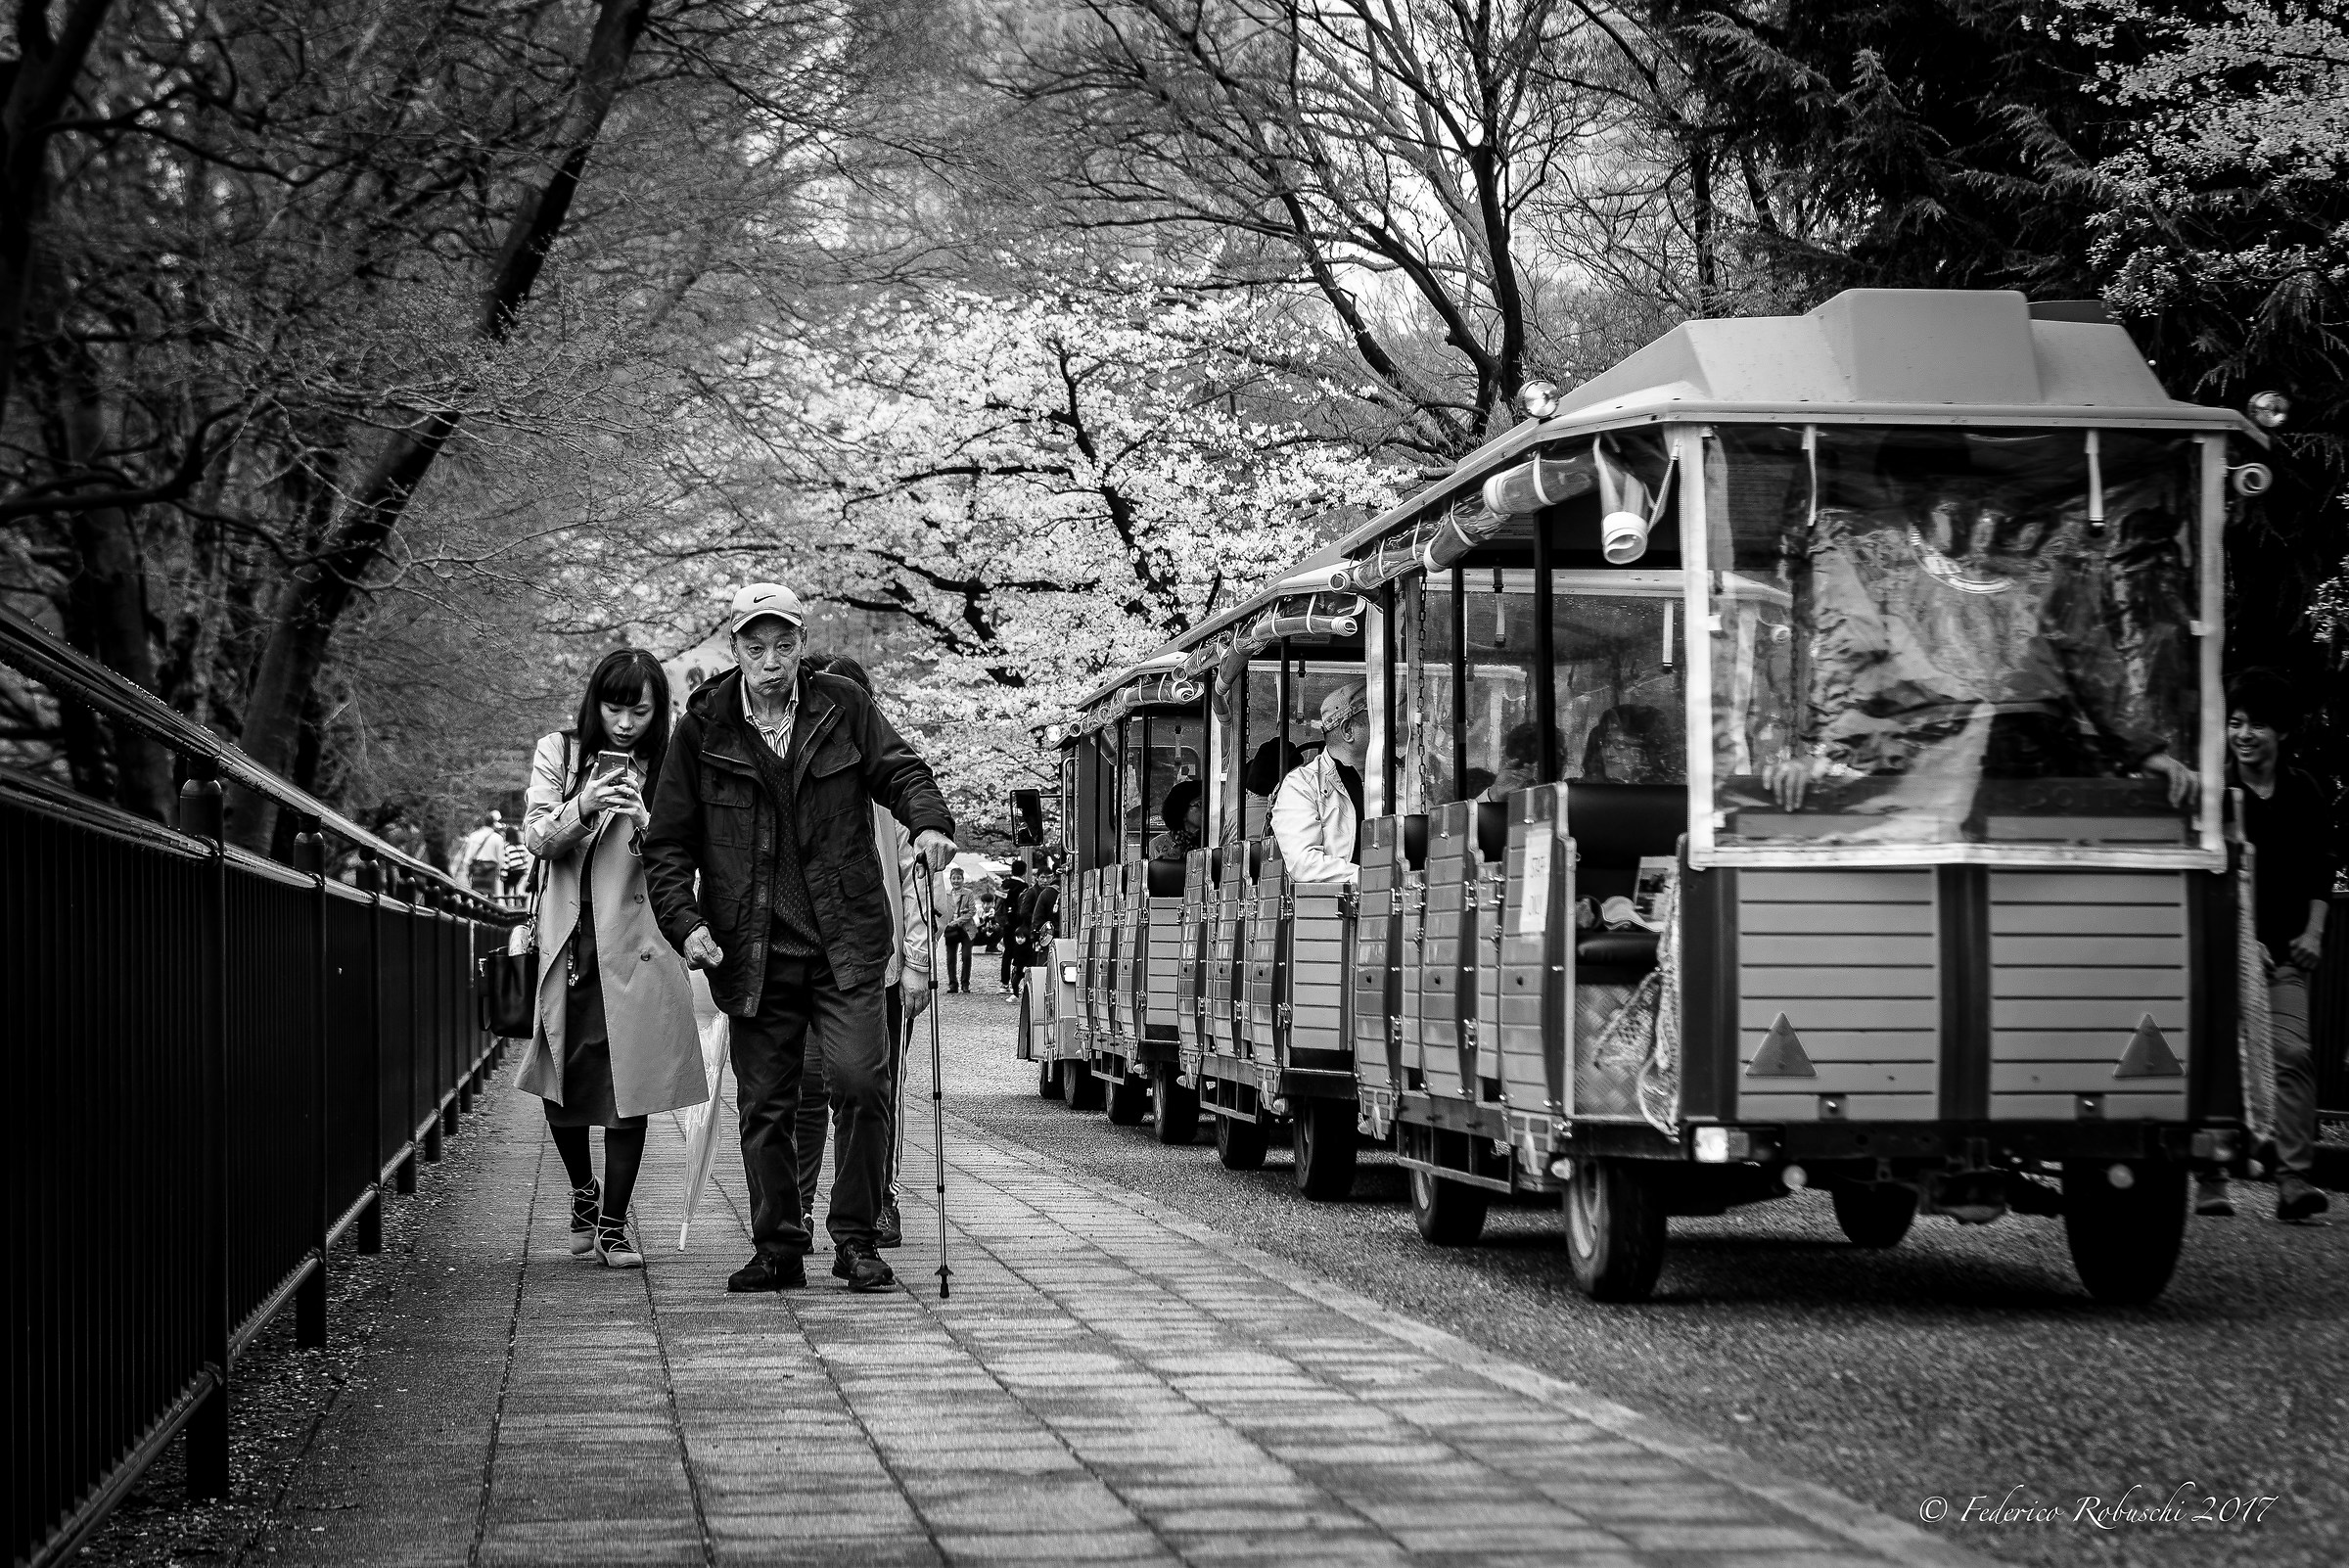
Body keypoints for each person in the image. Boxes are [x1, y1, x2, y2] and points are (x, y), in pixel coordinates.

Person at [643, 582, 956, 1295]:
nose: (771, 660)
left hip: (844, 938)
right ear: (736, 649)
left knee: (859, 1083)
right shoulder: (702, 730)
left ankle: (854, 1238)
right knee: (767, 1104)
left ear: (800, 644)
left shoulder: (842, 708)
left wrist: (929, 819)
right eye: (756, 646)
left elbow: (900, 769)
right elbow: (667, 844)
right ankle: (779, 1245)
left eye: (784, 645)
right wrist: (686, 926)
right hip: (751, 948)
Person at [516, 649, 709, 1269]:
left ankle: (616, 1220)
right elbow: (537, 838)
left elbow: (693, 853)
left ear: (659, 712)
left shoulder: (676, 763)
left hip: (642, 943)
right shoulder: (561, 753)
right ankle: (581, 1192)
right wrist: (585, 804)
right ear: (595, 704)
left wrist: (647, 820)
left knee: (635, 1082)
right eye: (614, 707)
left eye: (640, 710)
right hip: (570, 941)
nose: (625, 723)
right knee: (560, 1076)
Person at [795, 654, 932, 1254]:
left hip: (880, 966)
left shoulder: (889, 786)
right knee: (803, 1088)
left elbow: (916, 884)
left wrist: (920, 964)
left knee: (875, 1089)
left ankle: (878, 1200)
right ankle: (795, 1208)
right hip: (805, 961)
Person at [2196, 672, 2334, 1222]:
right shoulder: (2217, 793)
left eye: (2255, 723)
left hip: (2286, 956)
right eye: (2235, 722)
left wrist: (2314, 933)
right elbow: (2207, 875)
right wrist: (2240, 941)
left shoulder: (2305, 792)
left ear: (2282, 732)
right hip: (2226, 956)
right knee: (2216, 1060)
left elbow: (2323, 868)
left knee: (2294, 1054)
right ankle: (2211, 1180)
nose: (2244, 734)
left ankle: (2294, 1181)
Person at [1271, 681, 1365, 884]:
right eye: (1380, 719)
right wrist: (1374, 877)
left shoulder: (1403, 777)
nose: (1394, 728)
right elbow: (1304, 864)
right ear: (1348, 730)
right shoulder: (1302, 785)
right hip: (1336, 908)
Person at [1580, 704, 1676, 784]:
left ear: (1646, 754)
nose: (1608, 753)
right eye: (1606, 742)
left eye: (1620, 744)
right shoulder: (1584, 792)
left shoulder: (1666, 797)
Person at [453, 810, 507, 897]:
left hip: (477, 867)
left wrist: (467, 869)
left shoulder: (474, 836)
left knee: (476, 894)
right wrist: (500, 870)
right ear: (493, 823)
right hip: (492, 869)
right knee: (490, 894)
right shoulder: (498, 838)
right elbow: (501, 858)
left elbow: (468, 857)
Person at [940, 868, 976, 992]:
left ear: (963, 879)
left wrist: (958, 921)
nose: (956, 881)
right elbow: (942, 911)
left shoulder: (968, 893)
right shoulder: (947, 894)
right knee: (951, 958)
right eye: (954, 878)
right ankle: (952, 984)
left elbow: (972, 911)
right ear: (950, 879)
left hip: (966, 928)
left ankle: (965, 983)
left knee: (966, 956)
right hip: (951, 930)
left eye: (958, 878)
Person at [1149, 779, 1204, 861]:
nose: (1206, 809)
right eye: (1199, 804)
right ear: (1182, 810)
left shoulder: (1213, 839)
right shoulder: (1160, 844)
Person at [998, 858, 1030, 995]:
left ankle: (1004, 983)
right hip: (1018, 924)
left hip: (1006, 923)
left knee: (1007, 953)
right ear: (1024, 871)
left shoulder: (1004, 885)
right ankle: (1015, 983)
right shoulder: (1023, 887)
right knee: (1019, 954)